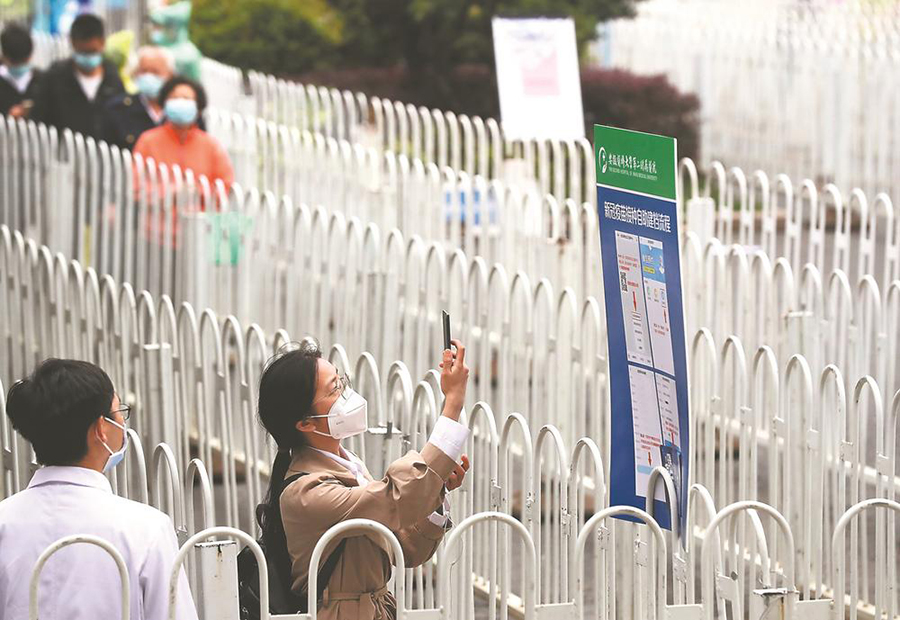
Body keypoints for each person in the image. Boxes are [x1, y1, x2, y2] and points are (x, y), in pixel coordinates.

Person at [257, 339, 471, 620]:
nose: (346, 393)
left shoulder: (350, 466)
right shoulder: (307, 491)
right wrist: (453, 403)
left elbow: (405, 548)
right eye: (334, 389)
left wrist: (435, 490)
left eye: (341, 380)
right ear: (306, 423)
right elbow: (396, 498)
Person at [0, 359, 198, 620]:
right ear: (101, 429)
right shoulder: (146, 529)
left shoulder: (4, 521)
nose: (123, 424)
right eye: (119, 412)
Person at [32, 13, 124, 139]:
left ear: (102, 43)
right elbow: (39, 119)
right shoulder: (54, 78)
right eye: (82, 52)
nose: (88, 57)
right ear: (73, 43)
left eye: (92, 51)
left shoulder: (112, 78)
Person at [133, 76, 234, 189]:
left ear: (198, 108)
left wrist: (196, 192)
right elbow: (136, 183)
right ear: (165, 104)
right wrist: (168, 192)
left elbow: (225, 184)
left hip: (200, 206)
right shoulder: (148, 141)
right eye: (174, 98)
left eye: (186, 98)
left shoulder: (211, 145)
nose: (180, 102)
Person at [100, 46, 174, 151]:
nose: (149, 77)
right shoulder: (118, 109)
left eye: (155, 72)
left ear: (170, 75)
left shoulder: (180, 110)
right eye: (144, 71)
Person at [0, 23, 43, 119]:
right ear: (4, 57)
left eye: (23, 61)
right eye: (14, 62)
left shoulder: (42, 81)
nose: (19, 67)